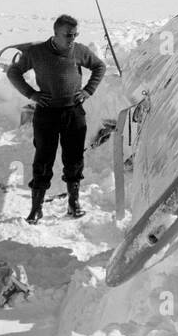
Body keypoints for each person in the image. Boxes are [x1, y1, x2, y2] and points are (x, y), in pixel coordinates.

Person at [6, 15, 106, 222]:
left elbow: (99, 66)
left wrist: (88, 90)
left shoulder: (79, 50)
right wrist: (31, 94)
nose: (72, 38)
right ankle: (36, 207)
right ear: (56, 33)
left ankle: (73, 202)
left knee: (74, 159)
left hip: (73, 112)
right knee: (43, 160)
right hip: (47, 114)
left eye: (75, 34)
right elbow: (13, 71)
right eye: (68, 35)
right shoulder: (37, 52)